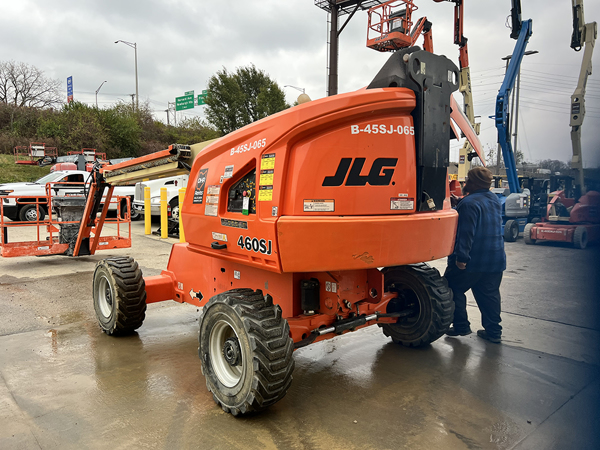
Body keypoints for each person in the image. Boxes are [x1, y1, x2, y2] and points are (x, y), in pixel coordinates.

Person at [444, 167, 506, 343]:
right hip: (495, 260)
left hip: (473, 260)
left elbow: (466, 233)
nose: (465, 183)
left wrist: (461, 259)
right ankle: (494, 332)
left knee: (451, 287)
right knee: (490, 294)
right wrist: (461, 203)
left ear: (473, 183)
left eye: (468, 180)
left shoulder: (469, 203)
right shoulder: (493, 199)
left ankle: (461, 326)